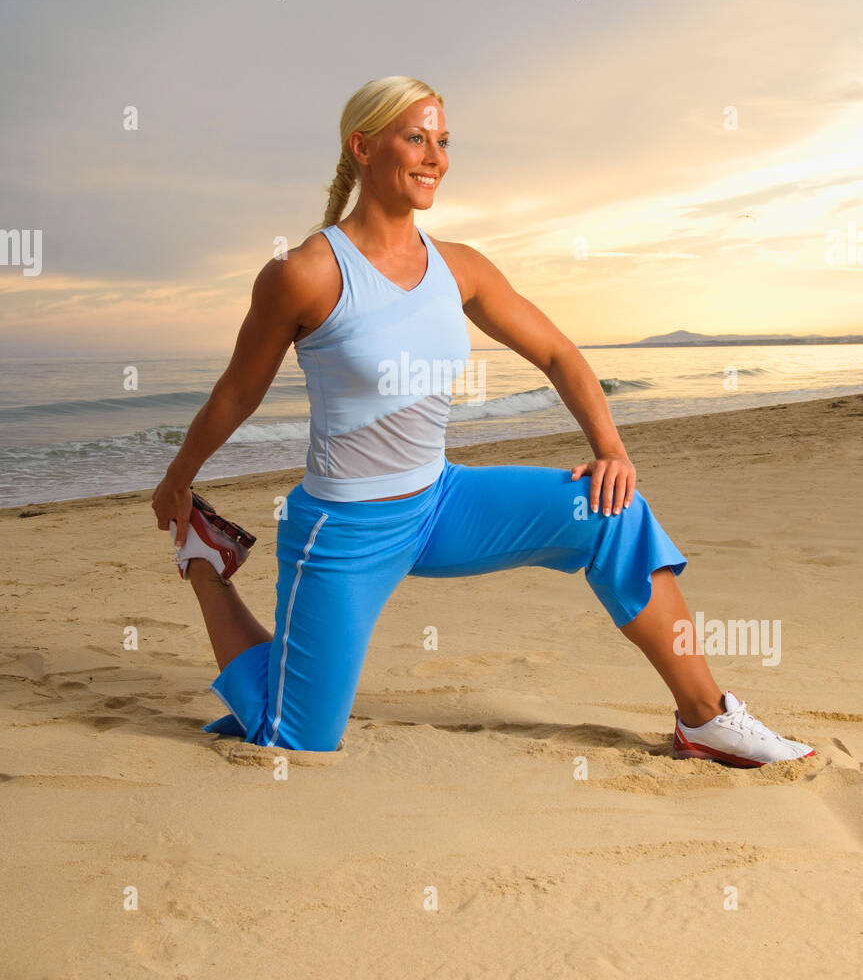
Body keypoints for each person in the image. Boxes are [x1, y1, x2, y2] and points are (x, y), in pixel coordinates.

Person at [151, 75, 813, 768]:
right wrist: (178, 480)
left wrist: (609, 449)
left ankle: (704, 719)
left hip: (441, 503)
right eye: (416, 138)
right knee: (297, 741)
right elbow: (237, 392)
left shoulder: (458, 267)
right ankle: (206, 564)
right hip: (344, 529)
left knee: (614, 515)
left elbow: (557, 351)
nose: (434, 156)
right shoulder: (305, 273)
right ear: (363, 146)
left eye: (442, 141)